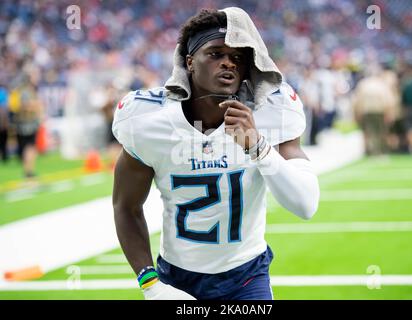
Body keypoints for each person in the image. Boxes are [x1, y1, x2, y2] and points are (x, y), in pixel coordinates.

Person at [112, 7, 320, 300]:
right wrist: (152, 285)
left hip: (246, 276)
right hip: (176, 277)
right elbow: (126, 207)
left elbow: (306, 204)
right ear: (190, 62)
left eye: (237, 57)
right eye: (215, 53)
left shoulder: (272, 112)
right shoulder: (149, 121)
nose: (228, 64)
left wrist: (258, 148)